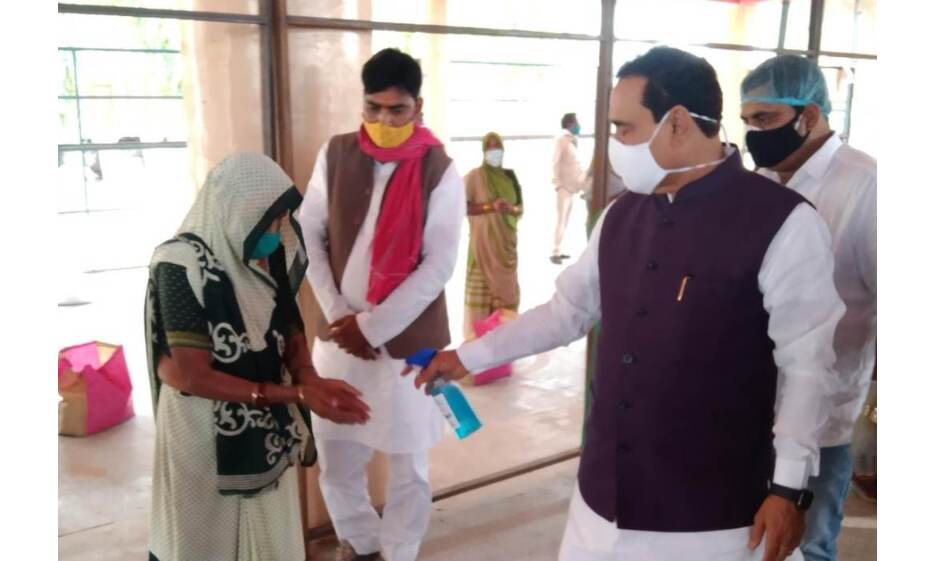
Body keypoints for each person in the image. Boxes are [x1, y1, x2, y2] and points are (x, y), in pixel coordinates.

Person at [407, 47, 845, 561]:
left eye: (623, 128)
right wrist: (467, 356)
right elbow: (566, 312)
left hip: (710, 517)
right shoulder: (621, 215)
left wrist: (788, 488)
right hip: (600, 503)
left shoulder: (783, 223)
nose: (614, 143)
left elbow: (807, 366)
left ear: (677, 123)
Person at [144, 153, 371, 561]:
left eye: (281, 217)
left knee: (269, 538)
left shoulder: (270, 254)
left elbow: (290, 326)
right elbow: (192, 375)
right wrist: (296, 395)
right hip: (200, 432)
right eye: (268, 218)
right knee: (204, 541)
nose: (276, 229)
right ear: (233, 209)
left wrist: (309, 377)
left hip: (265, 432)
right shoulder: (179, 265)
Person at [297, 48, 466, 561]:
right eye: (374, 107)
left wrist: (372, 327)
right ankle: (361, 544)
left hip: (406, 346)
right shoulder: (336, 153)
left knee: (409, 463)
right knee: (337, 455)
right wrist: (339, 316)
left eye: (397, 110)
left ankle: (399, 551)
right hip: (339, 340)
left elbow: (438, 265)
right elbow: (309, 234)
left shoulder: (440, 170)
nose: (384, 120)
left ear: (418, 107)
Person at [741, 54, 877, 561]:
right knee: (747, 541)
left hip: (822, 415)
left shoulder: (866, 185)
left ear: (810, 116)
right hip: (750, 407)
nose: (754, 134)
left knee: (806, 546)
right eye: (748, 120)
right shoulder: (759, 181)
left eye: (766, 119)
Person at [463, 131, 523, 341]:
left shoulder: (510, 177)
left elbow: (520, 208)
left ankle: (503, 344)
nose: (494, 151)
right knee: (480, 299)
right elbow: (462, 207)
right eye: (489, 147)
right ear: (483, 151)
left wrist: (510, 209)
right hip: (482, 250)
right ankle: (476, 345)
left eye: (497, 147)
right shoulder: (474, 177)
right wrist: (490, 206)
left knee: (507, 300)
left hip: (506, 249)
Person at [551, 112, 586, 264]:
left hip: (571, 187)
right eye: (576, 122)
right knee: (560, 220)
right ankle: (554, 252)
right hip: (563, 187)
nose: (578, 125)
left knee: (565, 220)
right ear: (570, 124)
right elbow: (555, 162)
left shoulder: (571, 141)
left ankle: (559, 249)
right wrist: (557, 184)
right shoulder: (561, 140)